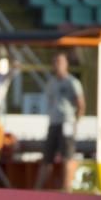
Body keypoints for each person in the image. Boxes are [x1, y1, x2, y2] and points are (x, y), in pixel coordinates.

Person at [34, 51, 85, 192]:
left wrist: (75, 122)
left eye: (60, 62)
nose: (57, 65)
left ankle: (67, 188)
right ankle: (38, 188)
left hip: (67, 122)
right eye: (55, 62)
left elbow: (81, 104)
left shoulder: (72, 82)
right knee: (47, 157)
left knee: (67, 156)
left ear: (66, 64)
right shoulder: (51, 82)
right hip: (54, 122)